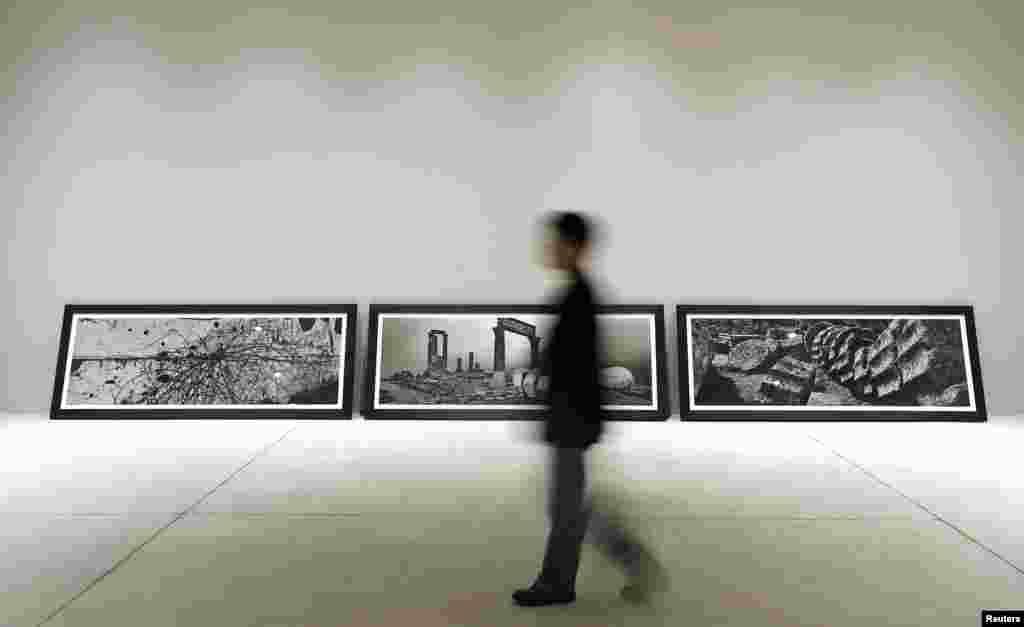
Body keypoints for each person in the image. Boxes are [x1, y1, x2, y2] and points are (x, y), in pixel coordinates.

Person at [512, 211, 668, 608]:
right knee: (569, 508)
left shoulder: (578, 297)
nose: (547, 249)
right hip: (571, 419)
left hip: (572, 420)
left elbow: (579, 368)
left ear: (574, 246)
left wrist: (549, 394)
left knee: (569, 510)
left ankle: (568, 581)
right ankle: (601, 571)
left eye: (554, 242)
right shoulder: (575, 294)